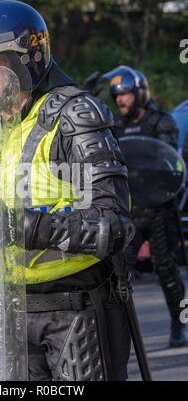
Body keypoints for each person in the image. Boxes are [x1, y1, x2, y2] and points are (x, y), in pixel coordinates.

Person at [0, 0, 136, 381]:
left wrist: (27, 227)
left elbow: (114, 224)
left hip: (75, 308)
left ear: (27, 59)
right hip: (3, 310)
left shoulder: (73, 118)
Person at [107, 65, 186, 347]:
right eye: (116, 96)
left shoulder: (160, 121)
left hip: (160, 209)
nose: (120, 100)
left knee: (166, 269)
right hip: (130, 209)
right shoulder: (114, 125)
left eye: (125, 94)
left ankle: (179, 325)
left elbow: (167, 165)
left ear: (138, 93)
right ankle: (121, 333)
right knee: (120, 274)